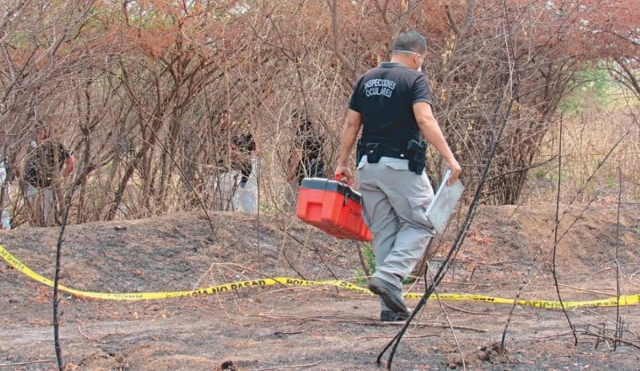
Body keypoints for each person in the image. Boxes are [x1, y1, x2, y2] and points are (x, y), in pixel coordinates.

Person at [334, 31, 461, 322]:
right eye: (423, 60)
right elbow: (424, 119)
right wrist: (449, 158)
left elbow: (352, 124)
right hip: (401, 165)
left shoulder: (366, 79)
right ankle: (390, 276)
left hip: (368, 166)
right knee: (424, 221)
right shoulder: (415, 79)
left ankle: (390, 308)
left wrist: (342, 163)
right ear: (418, 57)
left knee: (385, 232)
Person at [23, 129, 75, 227]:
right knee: (32, 214)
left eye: (39, 132)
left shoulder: (55, 146)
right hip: (31, 184)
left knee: (48, 215)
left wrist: (60, 178)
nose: (37, 134)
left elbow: (70, 163)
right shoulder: (31, 146)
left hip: (48, 186)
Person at [285, 110, 325, 211]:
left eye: (293, 120)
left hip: (306, 167)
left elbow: (297, 153)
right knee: (314, 194)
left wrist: (290, 171)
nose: (292, 123)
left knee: (302, 194)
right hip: (318, 166)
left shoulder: (301, 132)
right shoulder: (314, 132)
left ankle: (296, 213)